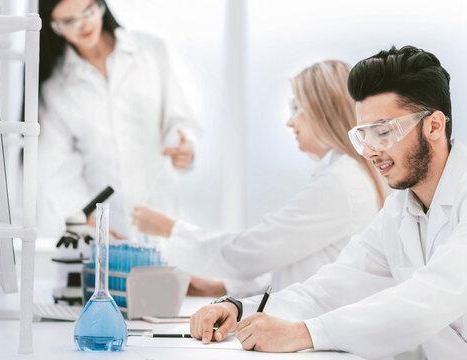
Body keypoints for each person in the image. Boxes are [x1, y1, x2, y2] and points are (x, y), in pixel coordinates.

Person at [189, 46, 467, 359]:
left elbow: (429, 298)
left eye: (383, 132)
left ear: (434, 126)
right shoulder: (402, 210)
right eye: (364, 135)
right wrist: (241, 309)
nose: (371, 151)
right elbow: (333, 286)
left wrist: (305, 333)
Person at [132, 60, 388, 298]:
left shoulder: (340, 183)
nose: (290, 122)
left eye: (297, 108)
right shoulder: (345, 174)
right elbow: (301, 263)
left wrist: (169, 228)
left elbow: (251, 253)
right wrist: (220, 287)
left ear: (325, 111)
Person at [37, 0, 199, 239]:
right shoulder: (56, 87)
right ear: (55, 26)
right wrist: (87, 218)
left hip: (159, 213)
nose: (84, 25)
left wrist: (186, 148)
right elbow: (56, 167)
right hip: (103, 224)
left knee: (167, 271)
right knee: (107, 272)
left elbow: (180, 120)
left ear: (100, 5)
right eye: (69, 21)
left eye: (88, 11)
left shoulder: (150, 51)